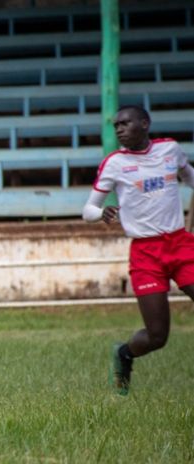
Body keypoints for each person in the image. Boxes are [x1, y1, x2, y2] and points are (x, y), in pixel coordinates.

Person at [82, 105, 194, 396]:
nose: (119, 129)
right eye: (116, 125)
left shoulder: (170, 150)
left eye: (125, 123)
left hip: (180, 244)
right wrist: (101, 213)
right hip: (145, 254)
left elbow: (190, 177)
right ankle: (124, 354)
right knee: (157, 336)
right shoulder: (115, 163)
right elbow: (88, 209)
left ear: (145, 123)